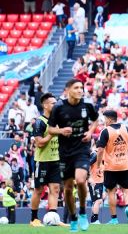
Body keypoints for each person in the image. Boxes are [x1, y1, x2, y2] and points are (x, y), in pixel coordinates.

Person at [48, 79, 99, 232]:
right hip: (65, 152)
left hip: (82, 149)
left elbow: (96, 120)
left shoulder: (87, 106)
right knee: (68, 188)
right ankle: (74, 218)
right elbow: (50, 129)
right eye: (76, 87)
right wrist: (61, 131)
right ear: (68, 89)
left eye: (81, 87)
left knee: (81, 180)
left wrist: (90, 132)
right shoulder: (59, 108)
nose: (80, 90)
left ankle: (83, 212)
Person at [95, 110, 128, 224]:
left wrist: (98, 165)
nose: (104, 122)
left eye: (104, 119)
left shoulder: (105, 131)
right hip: (124, 165)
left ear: (109, 119)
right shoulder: (126, 129)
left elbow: (100, 150)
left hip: (110, 167)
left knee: (111, 192)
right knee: (126, 190)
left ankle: (114, 219)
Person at [30, 93, 65, 227]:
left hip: (56, 160)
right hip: (42, 161)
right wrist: (52, 133)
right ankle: (34, 219)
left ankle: (53, 217)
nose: (55, 106)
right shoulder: (40, 122)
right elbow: (39, 143)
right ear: (45, 105)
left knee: (55, 189)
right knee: (39, 190)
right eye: (52, 103)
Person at [88, 144, 104, 225]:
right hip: (95, 182)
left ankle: (93, 220)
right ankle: (95, 220)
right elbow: (87, 165)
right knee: (98, 201)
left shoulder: (101, 154)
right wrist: (89, 178)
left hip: (99, 181)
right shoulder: (95, 154)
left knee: (96, 201)